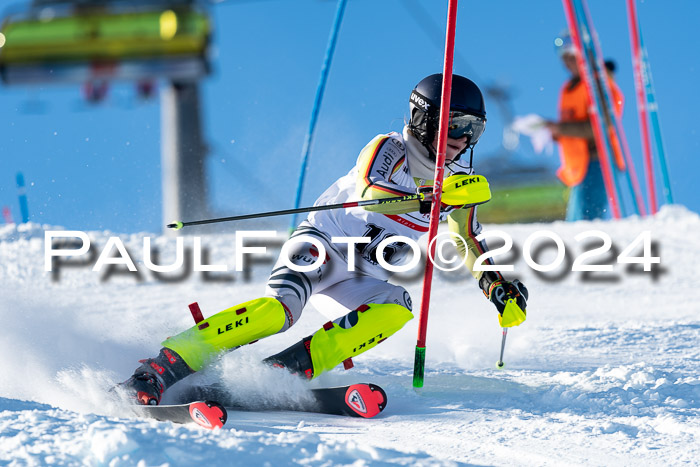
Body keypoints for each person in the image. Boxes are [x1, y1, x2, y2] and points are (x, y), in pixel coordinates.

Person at [118, 74, 529, 406]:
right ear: (427, 119)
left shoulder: (458, 184)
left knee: (397, 307)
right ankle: (160, 368)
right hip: (320, 247)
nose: (465, 137)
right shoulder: (390, 147)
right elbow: (370, 192)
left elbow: (469, 242)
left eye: (475, 129)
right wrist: (426, 199)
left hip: (358, 274)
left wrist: (496, 285)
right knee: (280, 311)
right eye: (456, 123)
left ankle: (282, 373)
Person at [546, 34, 625, 221]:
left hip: (597, 161)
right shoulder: (569, 88)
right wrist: (555, 132)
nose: (568, 63)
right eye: (565, 58)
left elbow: (600, 127)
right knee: (576, 222)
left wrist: (561, 129)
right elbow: (572, 126)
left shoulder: (598, 85)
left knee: (586, 221)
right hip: (577, 166)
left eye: (572, 57)